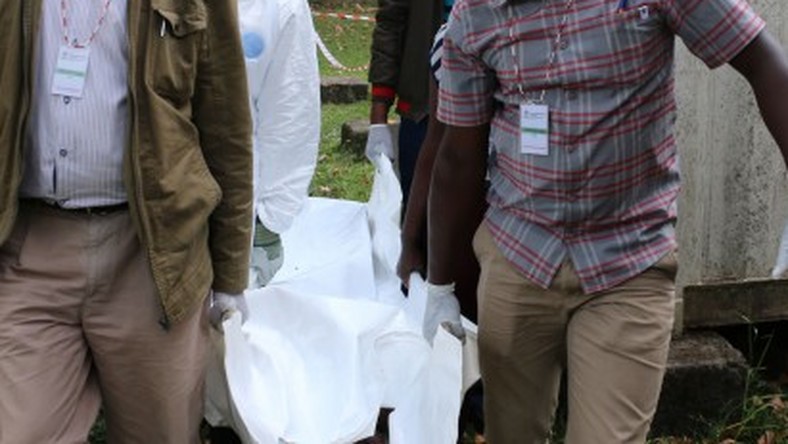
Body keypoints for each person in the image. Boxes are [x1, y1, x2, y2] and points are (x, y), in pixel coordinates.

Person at [426, 0, 788, 442]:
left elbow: (765, 61)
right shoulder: (474, 13)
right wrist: (439, 287)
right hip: (517, 254)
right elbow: (458, 156)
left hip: (628, 263)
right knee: (511, 433)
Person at [0, 2, 253, 443]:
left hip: (152, 255)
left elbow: (226, 124)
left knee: (161, 434)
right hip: (32, 249)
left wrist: (231, 275)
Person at [204, 0, 320, 440]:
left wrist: (269, 216)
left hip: (242, 198)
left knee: (235, 333)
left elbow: (292, 115)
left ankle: (234, 423)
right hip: (168, 200)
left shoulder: (281, 7)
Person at [366, 0, 448, 206]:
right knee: (418, 212)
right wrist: (378, 117)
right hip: (423, 112)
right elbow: (390, 23)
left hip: (494, 112)